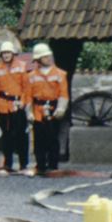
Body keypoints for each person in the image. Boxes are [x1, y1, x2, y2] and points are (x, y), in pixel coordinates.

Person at [27, 43, 70, 176]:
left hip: (53, 109)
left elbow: (63, 94)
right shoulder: (31, 76)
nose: (48, 58)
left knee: (53, 138)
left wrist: (61, 108)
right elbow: (27, 97)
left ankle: (53, 165)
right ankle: (40, 166)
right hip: (38, 110)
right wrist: (28, 112)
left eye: (48, 56)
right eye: (44, 57)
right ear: (38, 60)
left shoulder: (60, 74)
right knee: (39, 139)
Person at [0, 41, 30, 176]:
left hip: (17, 105)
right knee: (6, 136)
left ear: (13, 54)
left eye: (8, 53)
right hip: (3, 106)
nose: (6, 55)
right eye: (4, 53)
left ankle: (24, 163)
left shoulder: (22, 66)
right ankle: (8, 163)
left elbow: (26, 87)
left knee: (21, 135)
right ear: (1, 54)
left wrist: (23, 102)